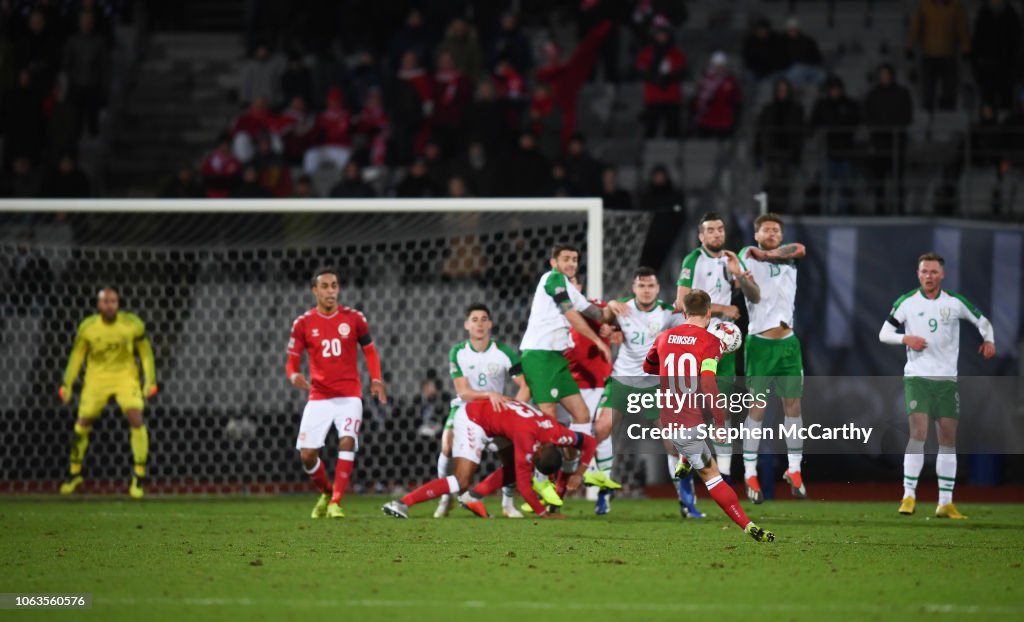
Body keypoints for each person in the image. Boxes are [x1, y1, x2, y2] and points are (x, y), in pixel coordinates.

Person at [643, 289, 775, 542]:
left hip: (669, 419)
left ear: (683, 312)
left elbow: (647, 367)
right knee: (711, 475)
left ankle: (685, 460)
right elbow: (708, 384)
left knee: (696, 445)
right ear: (709, 312)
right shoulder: (710, 342)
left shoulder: (664, 337)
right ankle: (747, 525)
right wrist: (718, 422)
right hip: (690, 423)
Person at [878, 252, 995, 519]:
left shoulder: (954, 303)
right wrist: (906, 338)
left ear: (942, 275)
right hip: (917, 377)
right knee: (918, 433)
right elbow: (884, 334)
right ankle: (908, 495)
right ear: (918, 274)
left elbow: (983, 322)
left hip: (946, 381)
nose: (928, 276)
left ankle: (945, 502)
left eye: (933, 272)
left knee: (947, 441)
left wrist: (989, 341)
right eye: (924, 272)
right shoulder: (906, 302)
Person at [519, 242, 617, 506]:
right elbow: (572, 315)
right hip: (539, 355)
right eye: (566, 258)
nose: (571, 263)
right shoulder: (552, 280)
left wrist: (616, 309)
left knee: (582, 415)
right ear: (554, 262)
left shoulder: (571, 290)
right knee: (548, 422)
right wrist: (597, 341)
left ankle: (582, 469)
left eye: (574, 259)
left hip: (556, 357)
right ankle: (540, 479)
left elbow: (597, 313)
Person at [382, 399, 596, 519]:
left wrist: (579, 473)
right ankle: (402, 503)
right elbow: (524, 485)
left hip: (497, 420)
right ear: (538, 452)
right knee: (461, 480)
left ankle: (473, 497)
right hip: (473, 418)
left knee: (514, 466)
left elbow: (589, 442)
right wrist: (543, 514)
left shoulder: (557, 433)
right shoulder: (526, 439)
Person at [287, 267, 387, 519]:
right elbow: (292, 360)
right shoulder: (303, 323)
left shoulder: (354, 319)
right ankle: (326, 492)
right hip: (319, 396)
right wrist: (293, 375)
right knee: (307, 455)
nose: (331, 291)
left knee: (347, 440)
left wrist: (376, 379)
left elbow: (370, 351)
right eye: (325, 286)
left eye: (334, 286)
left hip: (349, 395)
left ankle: (336, 501)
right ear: (315, 291)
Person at [592, 267, 688, 516]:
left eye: (651, 286)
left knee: (673, 443)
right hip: (623, 380)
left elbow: (688, 335)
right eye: (641, 286)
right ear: (634, 288)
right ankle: (604, 494)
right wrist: (609, 315)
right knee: (601, 429)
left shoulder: (669, 313)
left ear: (657, 289)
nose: (646, 290)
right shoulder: (621, 307)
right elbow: (603, 321)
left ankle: (686, 499)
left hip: (655, 384)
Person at [675, 212, 760, 483]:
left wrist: (740, 275)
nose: (716, 234)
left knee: (721, 406)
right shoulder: (693, 259)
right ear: (701, 236)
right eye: (710, 230)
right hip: (696, 340)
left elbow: (753, 296)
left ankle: (723, 473)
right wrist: (722, 307)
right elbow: (680, 301)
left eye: (720, 229)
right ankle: (688, 456)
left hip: (722, 340)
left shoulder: (730, 259)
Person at [59, 287, 157, 498]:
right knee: (82, 423)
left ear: (118, 304)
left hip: (125, 376)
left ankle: (139, 476)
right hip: (96, 379)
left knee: (136, 419)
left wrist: (150, 379)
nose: (110, 305)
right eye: (106, 301)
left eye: (113, 301)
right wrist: (66, 384)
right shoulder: (88, 328)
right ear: (98, 304)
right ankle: (74, 473)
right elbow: (76, 357)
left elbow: (145, 352)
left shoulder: (132, 324)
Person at [434, 303, 530, 518]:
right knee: (447, 447)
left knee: (512, 454)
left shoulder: (503, 352)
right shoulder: (458, 352)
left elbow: (525, 385)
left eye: (484, 319)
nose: (480, 323)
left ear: (491, 324)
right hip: (464, 409)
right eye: (475, 320)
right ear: (466, 325)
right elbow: (464, 392)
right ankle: (445, 498)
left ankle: (508, 504)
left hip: (496, 412)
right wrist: (489, 395)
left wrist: (513, 410)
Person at [737, 213, 808, 503]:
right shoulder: (747, 257)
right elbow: (751, 294)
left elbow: (800, 248)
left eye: (776, 230)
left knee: (793, 406)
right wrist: (746, 275)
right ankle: (749, 471)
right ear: (757, 234)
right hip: (761, 345)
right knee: (758, 409)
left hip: (789, 344)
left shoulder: (789, 255)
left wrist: (769, 254)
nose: (772, 233)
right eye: (766, 230)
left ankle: (794, 470)